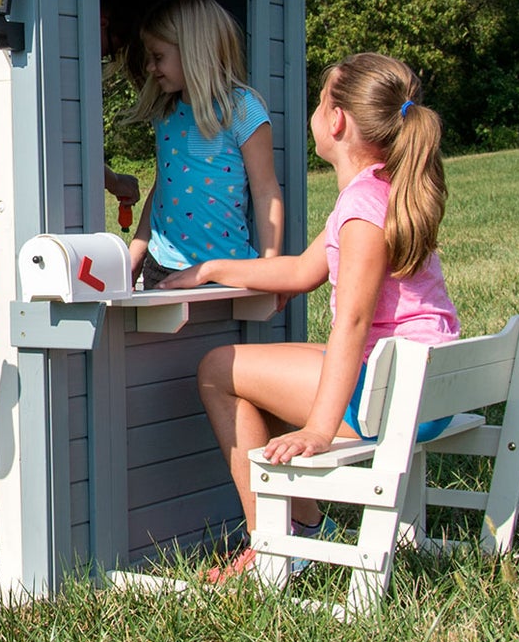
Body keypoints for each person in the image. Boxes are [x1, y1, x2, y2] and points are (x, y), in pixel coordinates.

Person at [163, 53, 460, 581]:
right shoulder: (381, 190)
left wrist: (321, 429)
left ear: (337, 121)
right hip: (428, 383)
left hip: (394, 394)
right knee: (256, 372)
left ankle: (273, 548)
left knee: (217, 368)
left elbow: (352, 322)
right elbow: (302, 271)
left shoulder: (363, 210)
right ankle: (299, 527)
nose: (314, 113)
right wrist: (209, 268)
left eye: (320, 101)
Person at [125, 0, 283, 288]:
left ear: (194, 52)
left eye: (158, 57)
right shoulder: (166, 113)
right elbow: (163, 187)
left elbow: (266, 192)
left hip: (229, 270)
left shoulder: (242, 110)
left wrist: (271, 267)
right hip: (163, 266)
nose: (150, 67)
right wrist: (137, 250)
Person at [0, 0, 141, 211]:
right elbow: (66, 151)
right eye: (111, 50)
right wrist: (114, 182)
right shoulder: (59, 68)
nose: (103, 56)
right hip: (20, 216)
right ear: (102, 22)